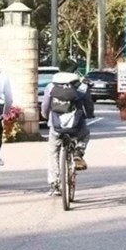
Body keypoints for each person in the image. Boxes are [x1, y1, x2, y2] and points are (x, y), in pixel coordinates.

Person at [40, 58, 91, 196]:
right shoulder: (80, 86)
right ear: (75, 71)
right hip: (76, 126)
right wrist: (89, 114)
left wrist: (45, 116)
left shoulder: (51, 86)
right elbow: (88, 103)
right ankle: (78, 153)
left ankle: (54, 182)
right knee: (85, 134)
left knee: (53, 152)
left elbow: (45, 106)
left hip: (56, 126)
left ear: (59, 69)